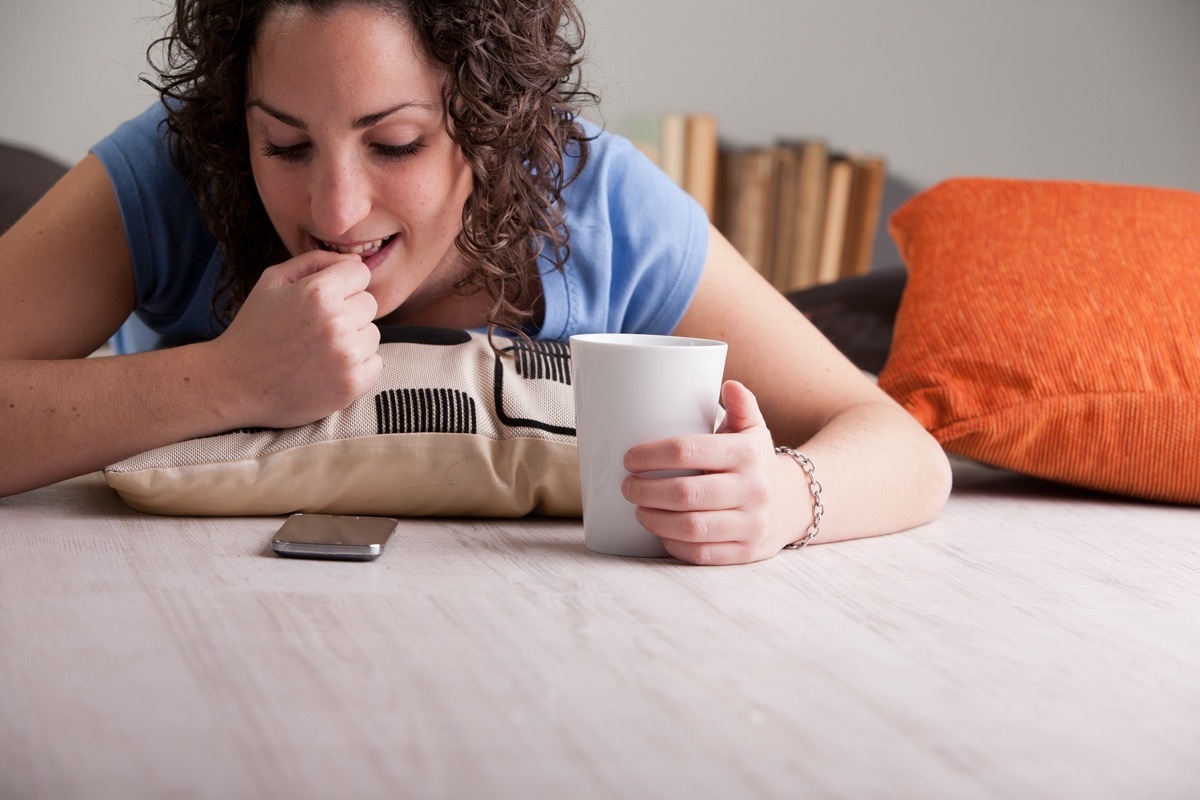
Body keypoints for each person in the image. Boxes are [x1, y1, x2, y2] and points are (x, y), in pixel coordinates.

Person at [0, 0, 951, 564]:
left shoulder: (605, 204)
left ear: (491, 120)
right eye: (284, 144)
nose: (334, 210)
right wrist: (229, 381)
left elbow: (902, 447)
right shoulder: (176, 166)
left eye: (397, 143)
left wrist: (784, 501)